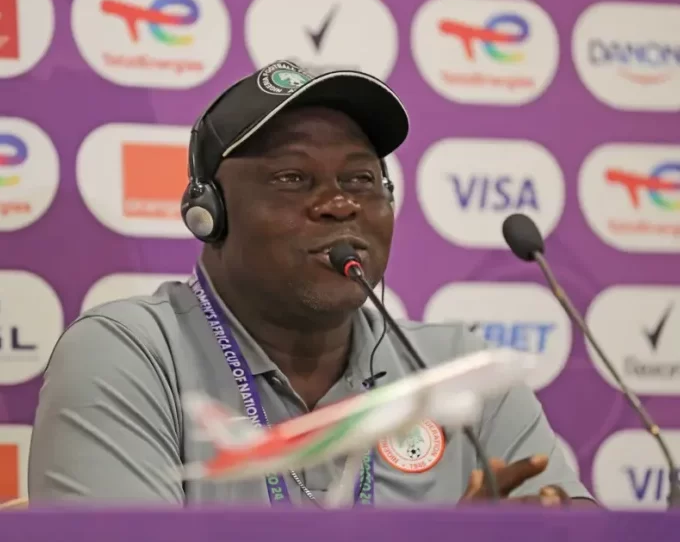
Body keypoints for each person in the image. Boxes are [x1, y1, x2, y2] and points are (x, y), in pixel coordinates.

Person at [28, 60, 596, 508]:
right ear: (209, 212)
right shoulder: (130, 354)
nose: (339, 204)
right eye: (293, 177)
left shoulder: (456, 368)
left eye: (361, 178)